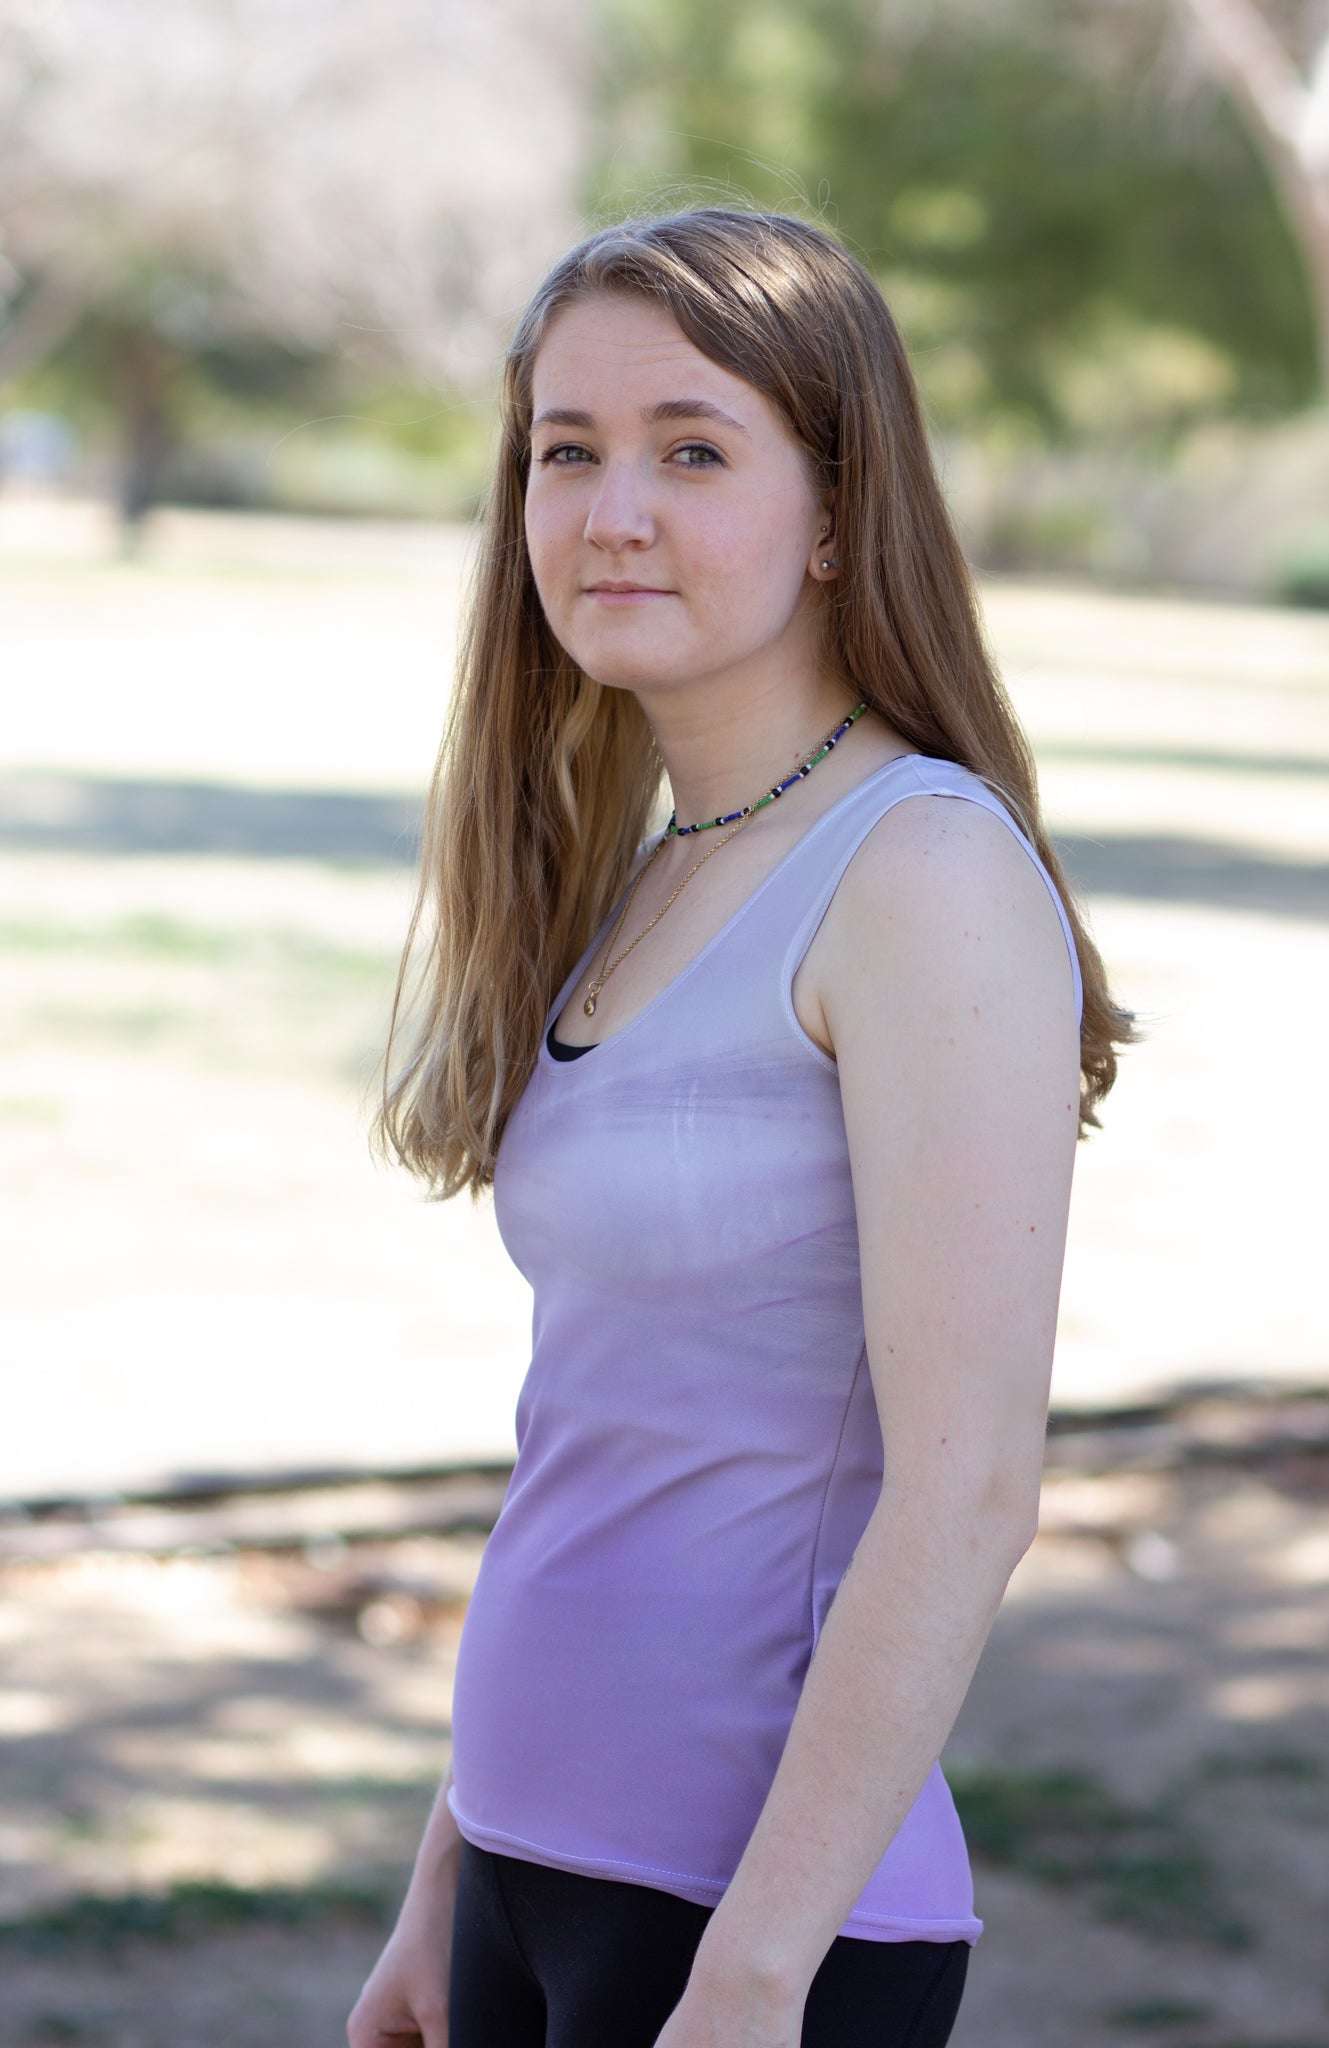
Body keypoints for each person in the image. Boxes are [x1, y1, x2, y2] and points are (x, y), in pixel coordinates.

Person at [348, 205, 1134, 2048]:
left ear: (840, 508)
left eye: (690, 450)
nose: (609, 510)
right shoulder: (650, 873)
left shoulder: (920, 871)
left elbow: (968, 1488)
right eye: (567, 453)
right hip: (530, 1879)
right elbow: (599, 1444)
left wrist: (757, 1974)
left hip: (748, 1939)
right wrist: (447, 1882)